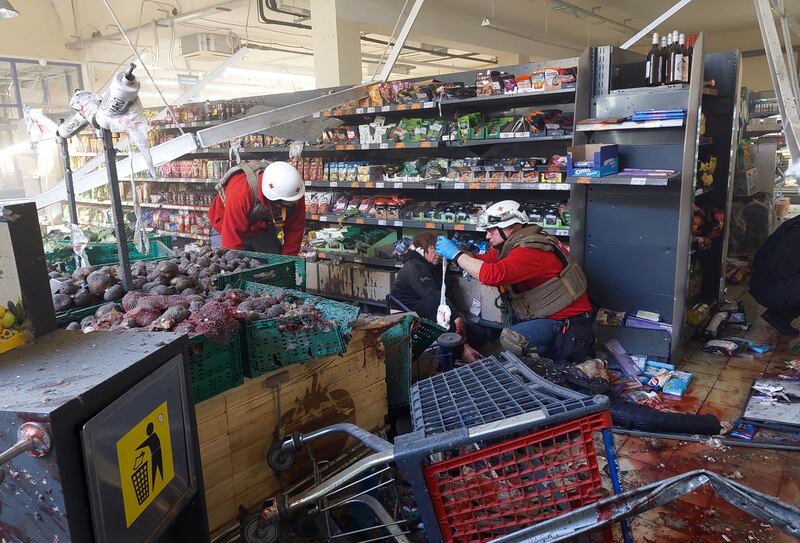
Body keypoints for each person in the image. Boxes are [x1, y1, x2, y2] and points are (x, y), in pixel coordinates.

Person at [435, 200, 594, 363]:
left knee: (511, 339)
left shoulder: (530, 250)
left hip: (568, 325)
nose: (487, 236)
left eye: (491, 231)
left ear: (509, 227)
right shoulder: (514, 244)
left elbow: (492, 274)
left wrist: (456, 255)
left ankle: (548, 364)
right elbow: (487, 260)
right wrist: (460, 254)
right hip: (548, 317)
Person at [390, 232, 485, 362]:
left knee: (480, 335)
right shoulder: (413, 265)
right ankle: (462, 350)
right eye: (434, 248)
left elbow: (445, 294)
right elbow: (432, 296)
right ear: (423, 248)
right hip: (409, 315)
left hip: (431, 313)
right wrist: (456, 317)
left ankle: (463, 348)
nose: (439, 253)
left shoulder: (437, 266)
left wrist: (459, 315)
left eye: (440, 250)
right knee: (435, 306)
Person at [208, 160, 305, 255]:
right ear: (273, 199)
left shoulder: (293, 193)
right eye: (285, 204)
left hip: (260, 229)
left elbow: (295, 231)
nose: (292, 204)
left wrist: (287, 264)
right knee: (225, 263)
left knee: (274, 266)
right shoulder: (242, 192)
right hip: (226, 227)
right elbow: (231, 240)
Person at [749, 214, 800, 335]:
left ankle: (780, 316)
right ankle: (781, 314)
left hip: (768, 284)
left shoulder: (796, 223)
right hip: (771, 288)